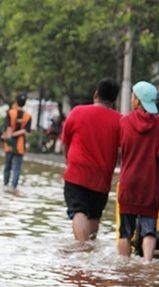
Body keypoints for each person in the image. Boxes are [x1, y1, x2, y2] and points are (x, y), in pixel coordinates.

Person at [117, 81, 159, 263]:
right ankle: (148, 263)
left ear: (137, 101)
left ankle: (124, 265)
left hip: (129, 183)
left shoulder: (124, 122)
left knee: (125, 232)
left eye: (133, 96)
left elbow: (120, 149)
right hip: (150, 184)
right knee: (149, 229)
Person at [60, 78, 121, 243]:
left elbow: (65, 142)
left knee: (78, 211)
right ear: (114, 100)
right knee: (94, 215)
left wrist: (68, 162)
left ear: (96, 94)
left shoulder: (77, 112)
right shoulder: (120, 121)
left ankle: (82, 249)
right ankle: (91, 250)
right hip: (102, 178)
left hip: (77, 173)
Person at [1, 93, 31, 195]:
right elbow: (26, 131)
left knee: (7, 167)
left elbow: (7, 128)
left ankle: (5, 185)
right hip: (20, 145)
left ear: (16, 101)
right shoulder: (28, 116)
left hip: (9, 144)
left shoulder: (10, 113)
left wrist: (10, 135)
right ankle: (13, 187)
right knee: (16, 169)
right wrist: (17, 133)